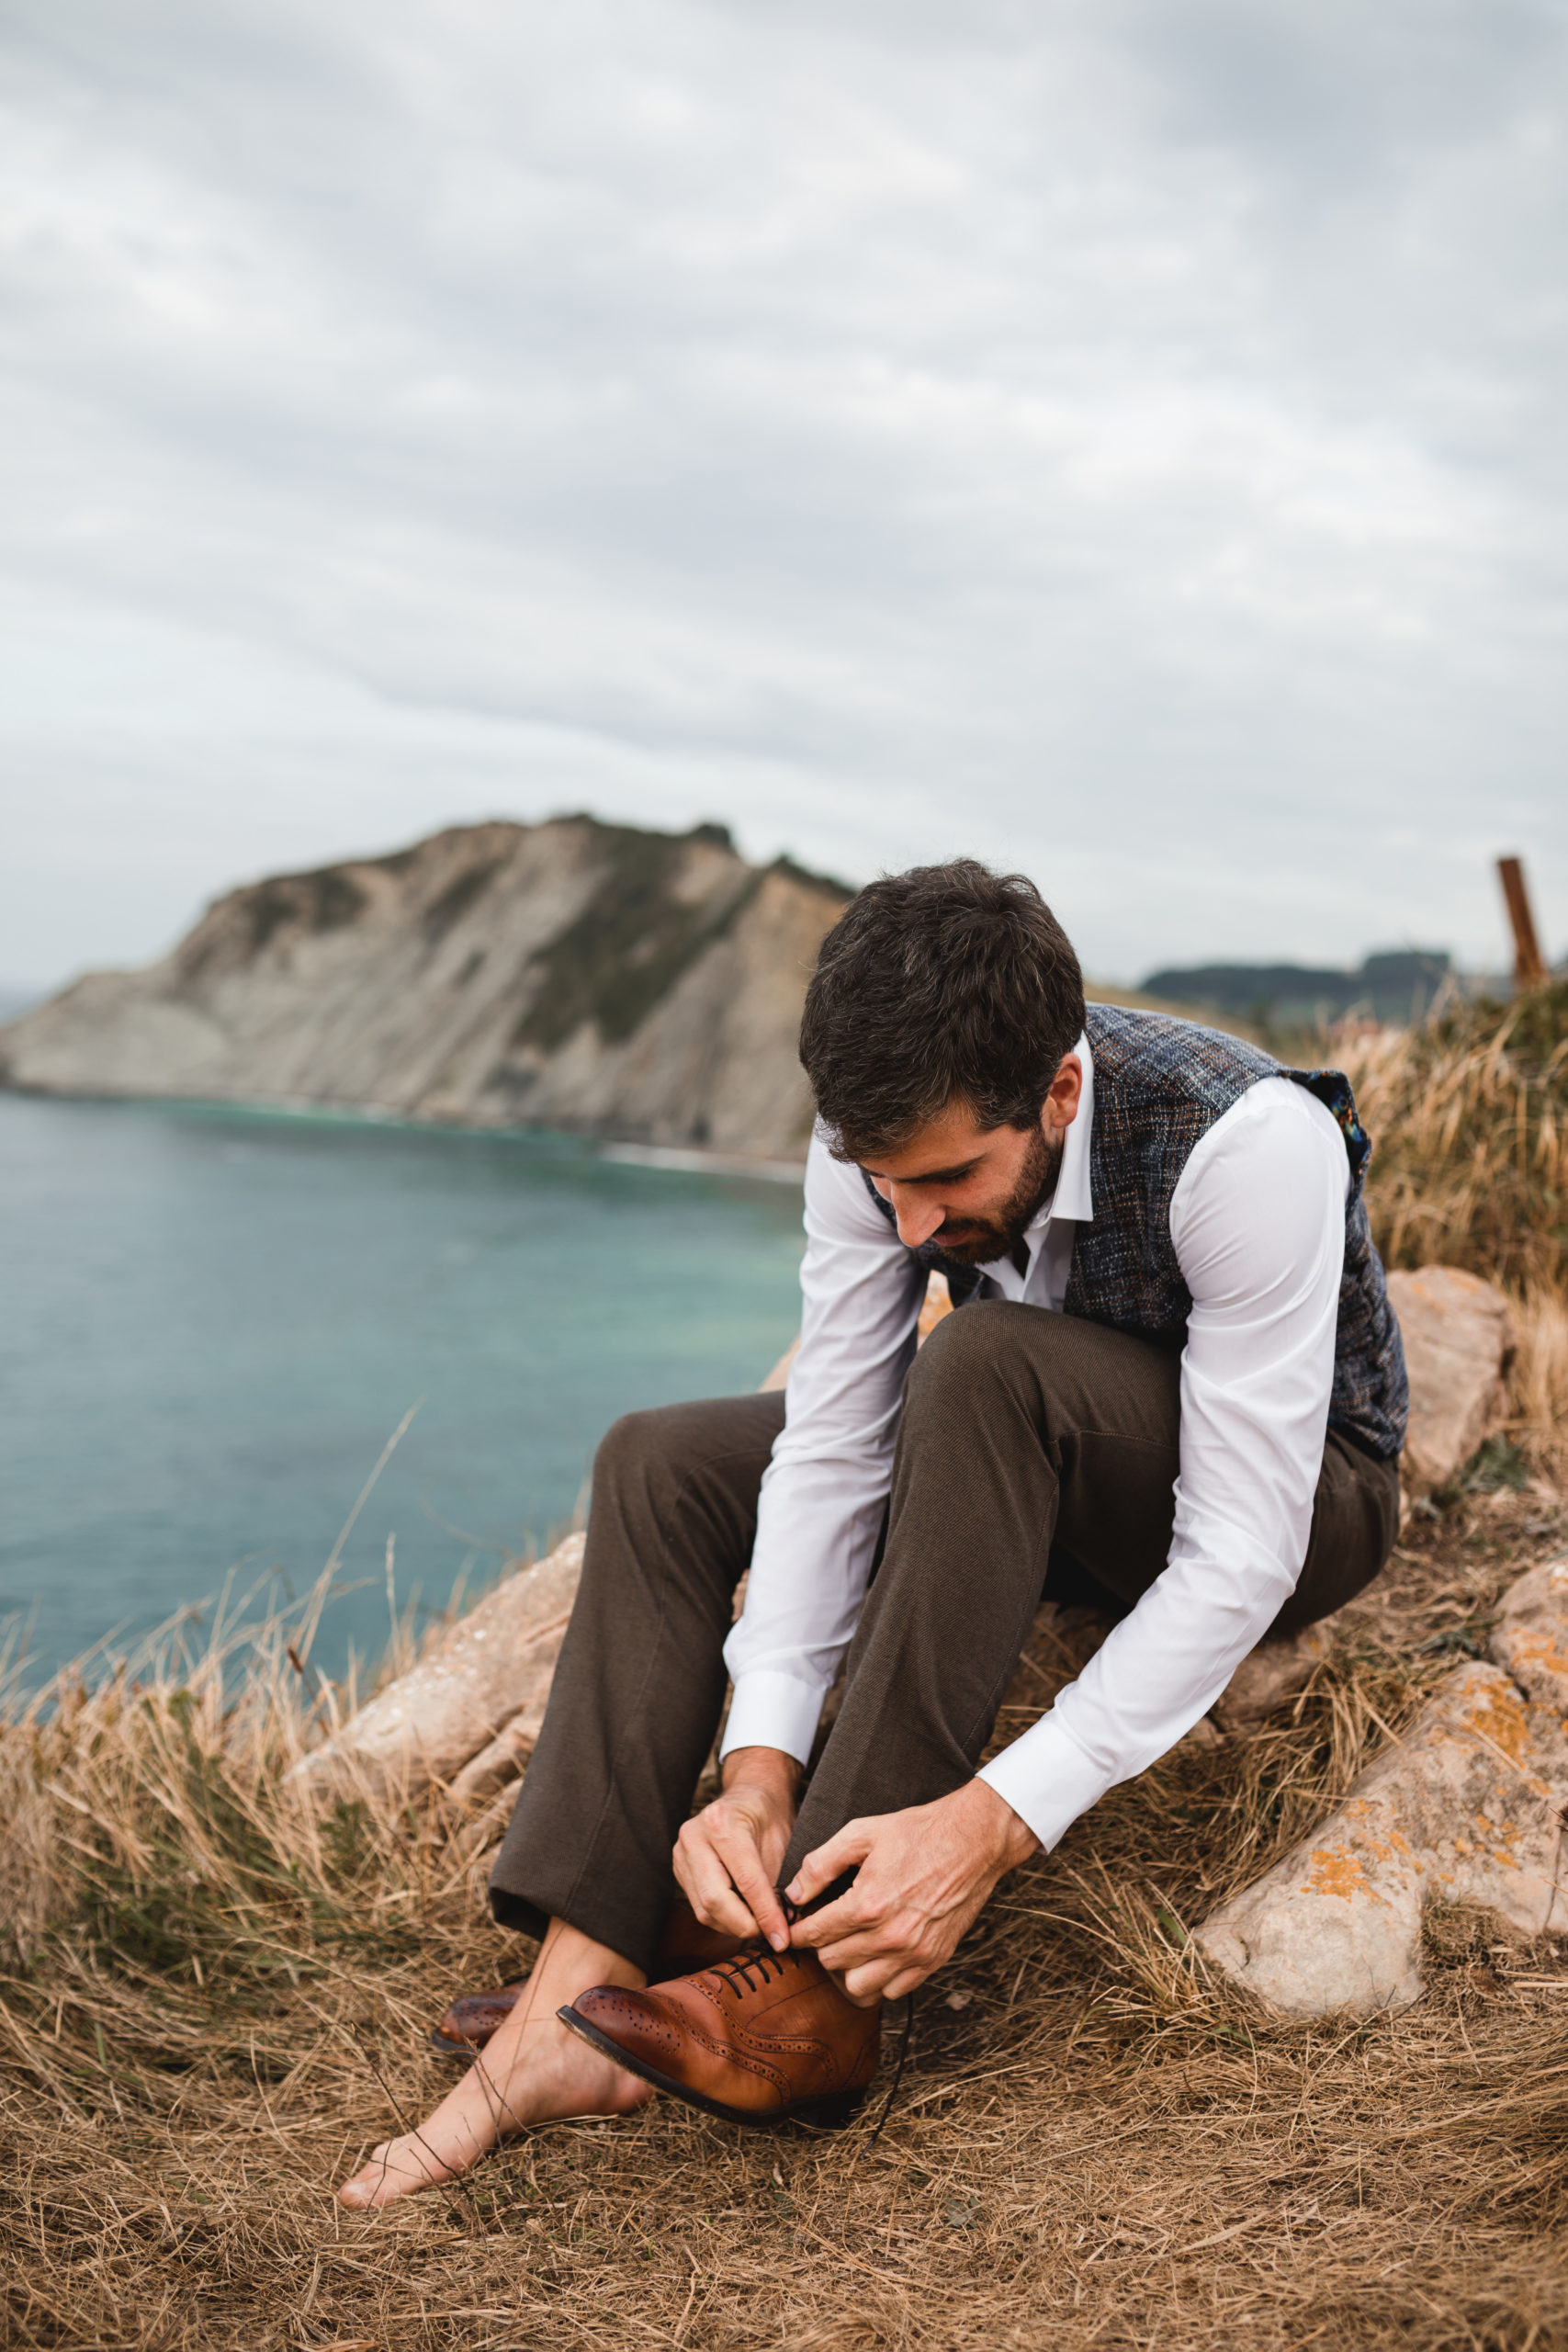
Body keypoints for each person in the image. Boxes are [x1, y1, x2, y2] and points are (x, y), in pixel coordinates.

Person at [338, 860, 1406, 2208]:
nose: (911, 1226)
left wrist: (993, 1822)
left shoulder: (1247, 1145)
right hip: (1013, 1464)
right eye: (883, 1181)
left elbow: (1242, 1550)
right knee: (662, 1461)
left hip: (1306, 1501)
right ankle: (590, 1962)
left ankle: (810, 1997)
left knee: (978, 1361)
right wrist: (757, 1767)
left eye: (947, 1179)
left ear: (1058, 1092)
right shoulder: (881, 1142)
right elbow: (835, 1439)